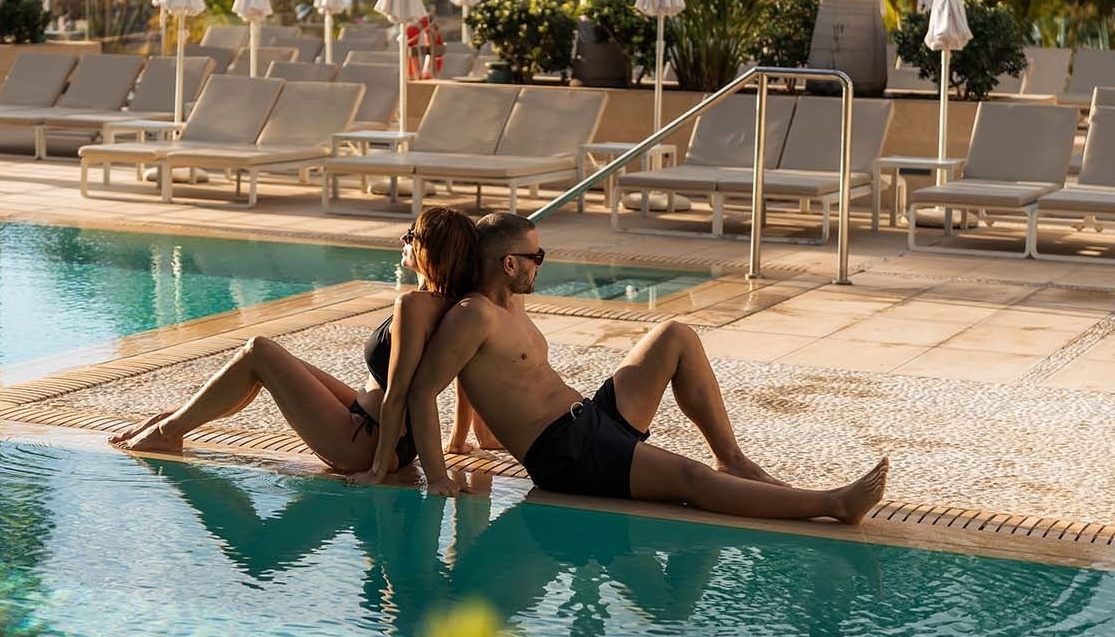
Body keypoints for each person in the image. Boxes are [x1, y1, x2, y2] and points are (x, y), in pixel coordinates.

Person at [405, 213, 890, 521]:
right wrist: (439, 473)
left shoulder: (510, 302)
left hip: (588, 422)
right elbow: (424, 390)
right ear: (510, 264)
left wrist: (468, 434)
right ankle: (833, 504)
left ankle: (734, 459)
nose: (542, 264)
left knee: (675, 336)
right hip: (567, 456)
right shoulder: (475, 316)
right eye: (537, 256)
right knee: (691, 480)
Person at [108, 208, 483, 495]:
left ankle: (169, 429)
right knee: (265, 363)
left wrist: (378, 470)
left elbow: (401, 392)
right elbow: (466, 379)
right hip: (385, 433)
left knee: (259, 351)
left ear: (428, 250)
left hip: (363, 442)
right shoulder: (457, 306)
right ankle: (172, 422)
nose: (403, 240)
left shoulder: (414, 305)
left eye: (410, 235)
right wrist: (455, 440)